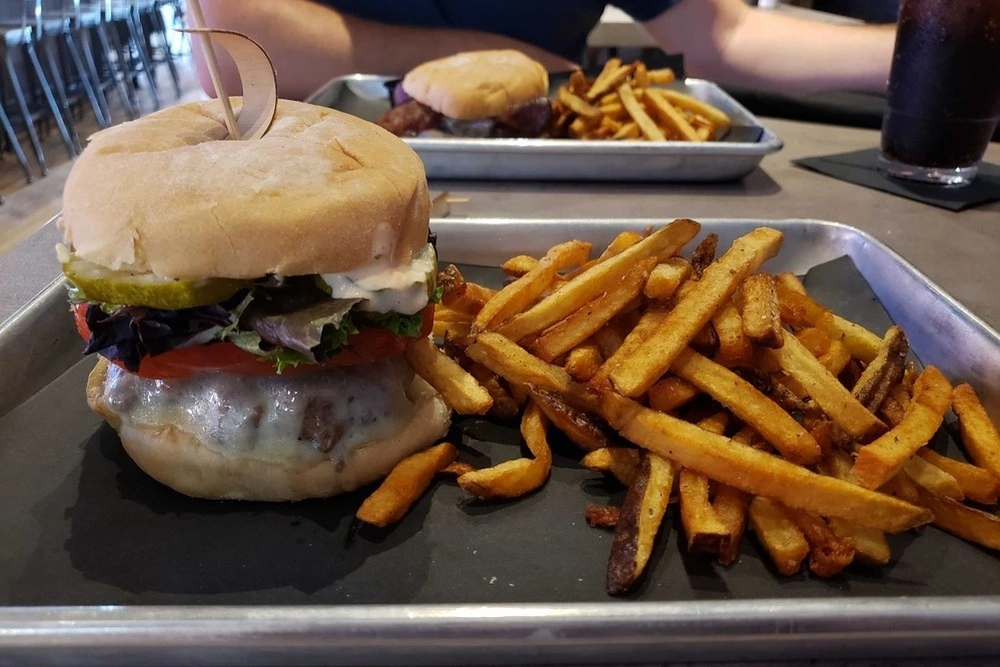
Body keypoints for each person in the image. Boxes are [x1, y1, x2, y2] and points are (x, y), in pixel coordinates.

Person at [195, 0, 895, 102]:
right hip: (325, 153)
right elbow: (228, 50)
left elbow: (723, 33)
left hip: (561, 166)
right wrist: (489, 55)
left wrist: (924, 51)